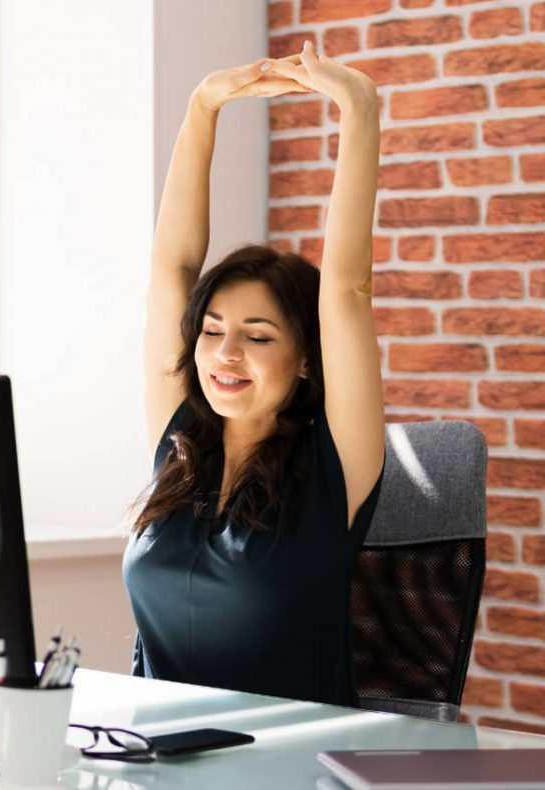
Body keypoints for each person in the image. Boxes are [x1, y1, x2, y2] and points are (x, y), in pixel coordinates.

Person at [122, 41, 387, 707]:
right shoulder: (179, 447)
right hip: (152, 759)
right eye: (211, 332)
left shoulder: (336, 468)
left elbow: (347, 291)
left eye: (257, 336)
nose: (223, 355)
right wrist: (203, 107)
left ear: (305, 358)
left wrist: (358, 107)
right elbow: (170, 272)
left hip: (284, 767)